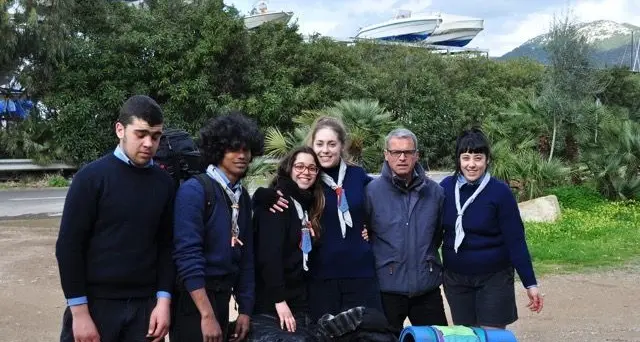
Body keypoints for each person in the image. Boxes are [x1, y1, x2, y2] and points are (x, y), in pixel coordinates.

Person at [55, 95, 175, 342]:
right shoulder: (91, 178)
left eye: (155, 136)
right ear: (120, 129)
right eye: (140, 134)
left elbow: (166, 246)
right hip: (96, 306)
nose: (148, 143)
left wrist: (163, 301)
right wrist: (79, 313)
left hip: (145, 308)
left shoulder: (164, 183)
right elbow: (69, 247)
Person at [260, 116, 382, 321]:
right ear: (312, 145)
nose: (325, 150)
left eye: (332, 144)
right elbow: (279, 188)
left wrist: (370, 228)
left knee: (369, 332)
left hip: (360, 273)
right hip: (321, 275)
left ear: (342, 146)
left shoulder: (357, 175)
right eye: (320, 144)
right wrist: (261, 197)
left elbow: (384, 195)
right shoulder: (308, 179)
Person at [171, 111, 263, 342]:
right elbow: (187, 255)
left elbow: (246, 257)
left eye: (246, 149)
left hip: (223, 297)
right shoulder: (195, 190)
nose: (241, 155)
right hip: (194, 303)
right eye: (233, 149)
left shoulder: (241, 197)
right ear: (218, 150)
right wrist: (206, 315)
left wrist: (245, 310)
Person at [439, 128, 544, 329]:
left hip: (494, 277)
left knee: (492, 335)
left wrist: (530, 283)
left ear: (487, 160)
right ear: (458, 160)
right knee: (467, 336)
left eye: (478, 158)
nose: (471, 164)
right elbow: (432, 232)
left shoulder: (500, 192)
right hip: (456, 279)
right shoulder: (444, 188)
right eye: (466, 157)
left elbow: (516, 240)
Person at [365, 128, 448, 335]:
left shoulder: (435, 192)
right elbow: (366, 232)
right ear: (386, 155)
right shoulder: (371, 192)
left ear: (417, 155)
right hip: (387, 288)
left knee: (436, 338)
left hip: (426, 286)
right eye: (395, 152)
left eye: (408, 152)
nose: (402, 157)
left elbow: (437, 234)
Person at [249, 146, 325, 339]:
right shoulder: (278, 202)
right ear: (289, 169)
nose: (306, 172)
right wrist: (279, 300)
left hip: (298, 300)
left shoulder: (305, 204)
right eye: (300, 166)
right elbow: (268, 255)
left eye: (312, 168)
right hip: (273, 304)